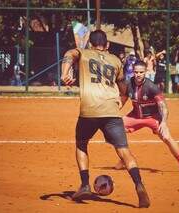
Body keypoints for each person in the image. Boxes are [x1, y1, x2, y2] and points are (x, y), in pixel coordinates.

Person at [61, 30, 150, 208]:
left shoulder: (83, 53)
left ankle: (85, 184)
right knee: (124, 151)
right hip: (111, 110)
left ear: (90, 44)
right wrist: (118, 105)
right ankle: (139, 185)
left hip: (89, 110)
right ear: (107, 45)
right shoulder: (116, 61)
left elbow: (69, 54)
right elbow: (125, 90)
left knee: (81, 144)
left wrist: (65, 73)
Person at [114, 61, 179, 172]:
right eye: (136, 72)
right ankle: (125, 158)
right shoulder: (128, 84)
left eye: (141, 72)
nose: (138, 74)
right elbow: (123, 99)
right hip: (135, 116)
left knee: (167, 137)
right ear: (133, 72)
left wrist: (163, 123)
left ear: (145, 72)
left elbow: (163, 107)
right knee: (114, 130)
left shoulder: (152, 87)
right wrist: (113, 110)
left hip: (153, 117)